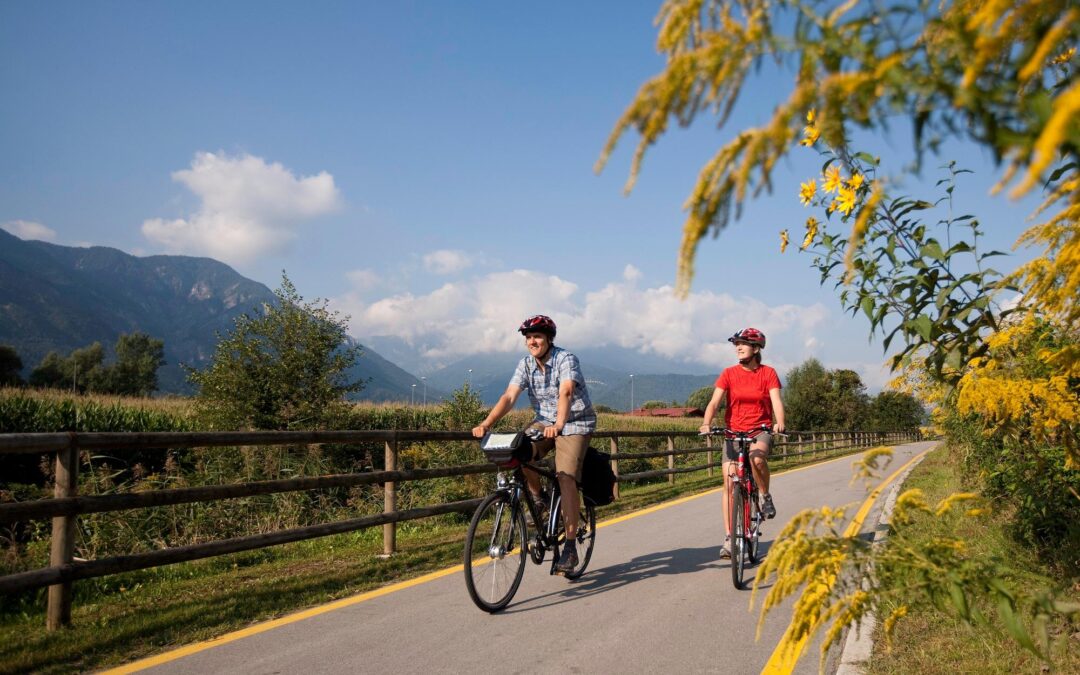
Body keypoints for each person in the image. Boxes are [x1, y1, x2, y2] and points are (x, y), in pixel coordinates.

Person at [472, 314, 597, 575]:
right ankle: (539, 497)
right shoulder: (526, 365)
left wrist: (560, 424)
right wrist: (487, 423)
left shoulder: (566, 359)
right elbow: (509, 396)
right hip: (543, 422)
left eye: (537, 337)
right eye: (528, 338)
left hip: (574, 423)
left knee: (565, 477)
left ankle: (571, 547)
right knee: (518, 451)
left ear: (549, 338)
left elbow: (566, 391)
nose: (532, 341)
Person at [698, 327, 785, 559]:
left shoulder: (768, 373)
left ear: (756, 349)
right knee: (729, 483)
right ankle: (730, 537)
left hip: (760, 429)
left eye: (743, 343)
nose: (737, 347)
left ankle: (765, 496)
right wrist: (707, 423)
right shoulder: (728, 373)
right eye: (736, 343)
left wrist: (779, 423)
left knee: (756, 458)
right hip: (733, 433)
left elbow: (776, 401)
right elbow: (714, 402)